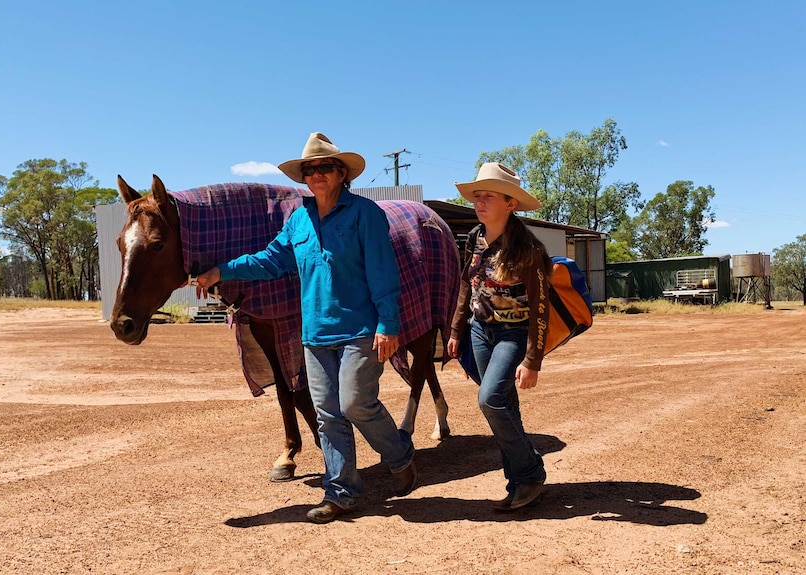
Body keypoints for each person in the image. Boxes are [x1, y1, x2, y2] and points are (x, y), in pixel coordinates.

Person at [193, 132, 417, 524]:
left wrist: (388, 324)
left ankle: (399, 454)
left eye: (325, 167)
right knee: (327, 415)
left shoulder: (366, 215)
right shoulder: (299, 220)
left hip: (362, 330)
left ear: (342, 173)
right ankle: (342, 492)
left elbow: (384, 273)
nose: (317, 174)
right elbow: (269, 260)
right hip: (315, 335)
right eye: (309, 169)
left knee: (354, 403)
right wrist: (221, 271)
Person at [446, 162, 552, 511]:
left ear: (510, 203)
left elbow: (539, 308)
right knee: (505, 408)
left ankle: (531, 472)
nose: (480, 201)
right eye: (477, 196)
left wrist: (532, 360)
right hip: (479, 332)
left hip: (514, 333)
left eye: (488, 196)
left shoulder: (528, 249)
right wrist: (456, 331)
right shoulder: (474, 238)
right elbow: (466, 284)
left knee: (490, 400)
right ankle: (520, 484)